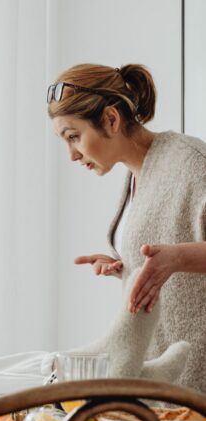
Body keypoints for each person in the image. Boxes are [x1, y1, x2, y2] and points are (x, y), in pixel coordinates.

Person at [47, 63, 206, 394]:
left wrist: (176, 258)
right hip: (162, 380)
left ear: (110, 120)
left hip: (196, 379)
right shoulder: (137, 174)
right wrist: (125, 267)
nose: (71, 155)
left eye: (74, 137)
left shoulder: (191, 162)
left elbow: (178, 254)